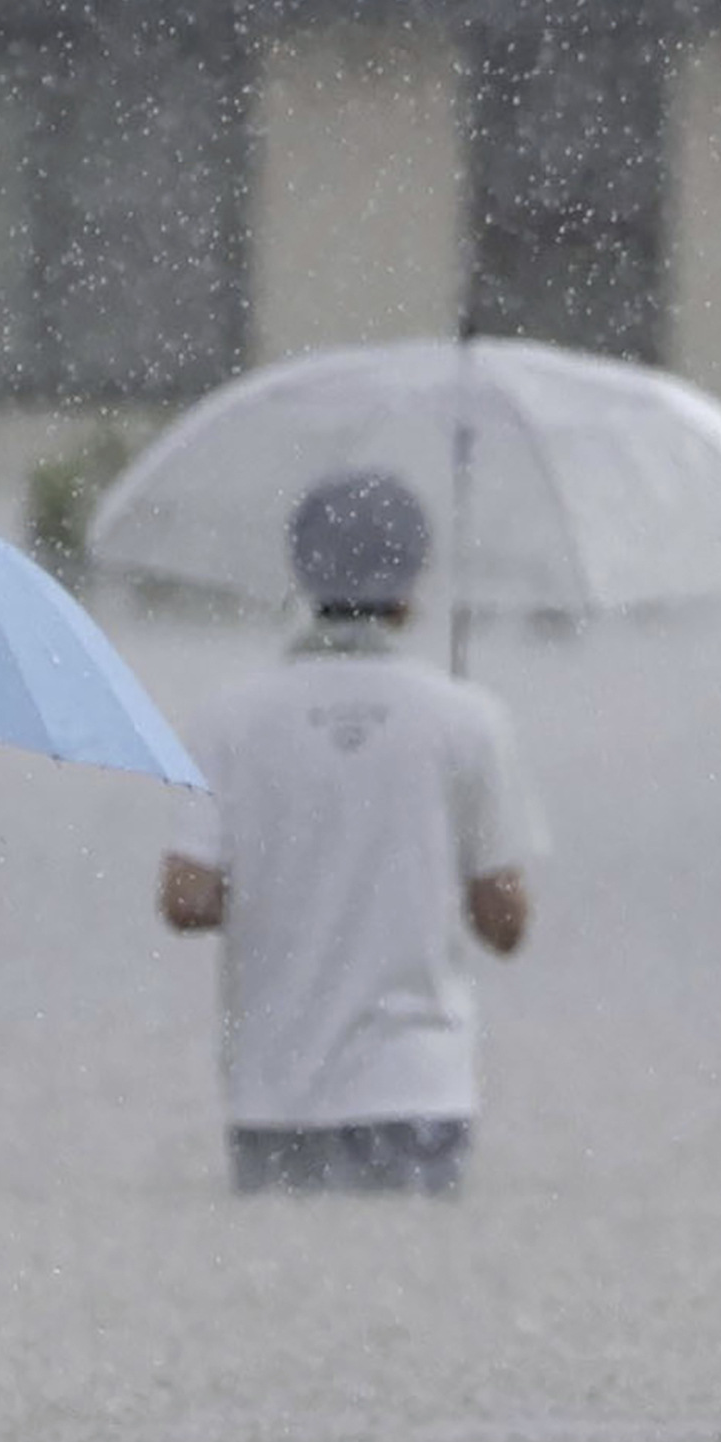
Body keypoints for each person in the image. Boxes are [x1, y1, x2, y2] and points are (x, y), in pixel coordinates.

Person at [158, 469, 544, 1196]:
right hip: (420, 1087)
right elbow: (506, 922)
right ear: (414, 579)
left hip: (274, 1090)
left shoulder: (229, 720)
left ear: (301, 570)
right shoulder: (469, 721)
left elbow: (186, 898)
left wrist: (292, 870)